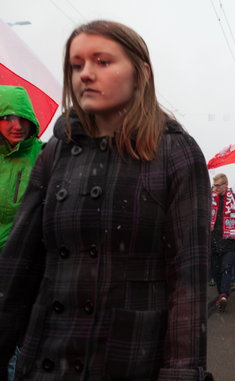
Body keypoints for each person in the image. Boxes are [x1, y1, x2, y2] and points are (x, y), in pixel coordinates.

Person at [0, 20, 212, 380]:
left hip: (128, 357)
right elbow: (19, 267)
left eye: (102, 62)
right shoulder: (56, 152)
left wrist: (181, 372)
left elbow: (187, 284)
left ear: (141, 73)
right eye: (77, 64)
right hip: (47, 358)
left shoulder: (176, 153)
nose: (85, 74)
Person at [0, 85, 44, 381]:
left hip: (26, 265)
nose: (16, 125)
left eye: (22, 117)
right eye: (7, 117)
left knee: (18, 341)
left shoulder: (44, 155)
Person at [210, 173, 235, 312]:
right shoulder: (210, 201)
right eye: (214, 185)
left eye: (217, 185)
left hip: (230, 243)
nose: (215, 188)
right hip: (214, 242)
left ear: (225, 185)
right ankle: (220, 293)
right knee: (216, 271)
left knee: (226, 269)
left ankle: (224, 294)